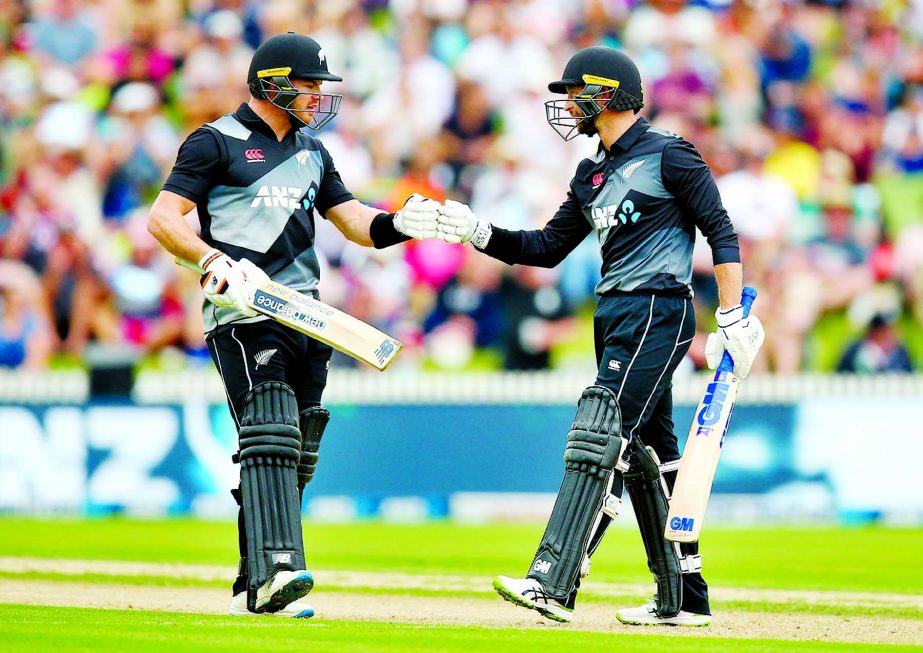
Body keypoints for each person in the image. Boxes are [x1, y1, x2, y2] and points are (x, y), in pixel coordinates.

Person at [436, 46, 765, 626]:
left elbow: (722, 232)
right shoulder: (592, 173)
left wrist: (732, 315)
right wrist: (477, 231)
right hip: (613, 317)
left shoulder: (671, 156)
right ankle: (685, 596)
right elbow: (544, 247)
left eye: (575, 93)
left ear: (606, 95)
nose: (566, 104)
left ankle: (553, 579)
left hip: (657, 310)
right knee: (653, 457)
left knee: (601, 434)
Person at [147, 32, 440, 619]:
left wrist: (411, 221)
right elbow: (162, 218)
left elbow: (356, 223)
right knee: (272, 433)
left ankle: (254, 584)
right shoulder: (215, 143)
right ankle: (278, 568)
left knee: (296, 446)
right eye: (307, 86)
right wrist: (210, 260)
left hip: (307, 314)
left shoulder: (313, 153)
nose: (316, 97)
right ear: (271, 83)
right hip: (243, 313)